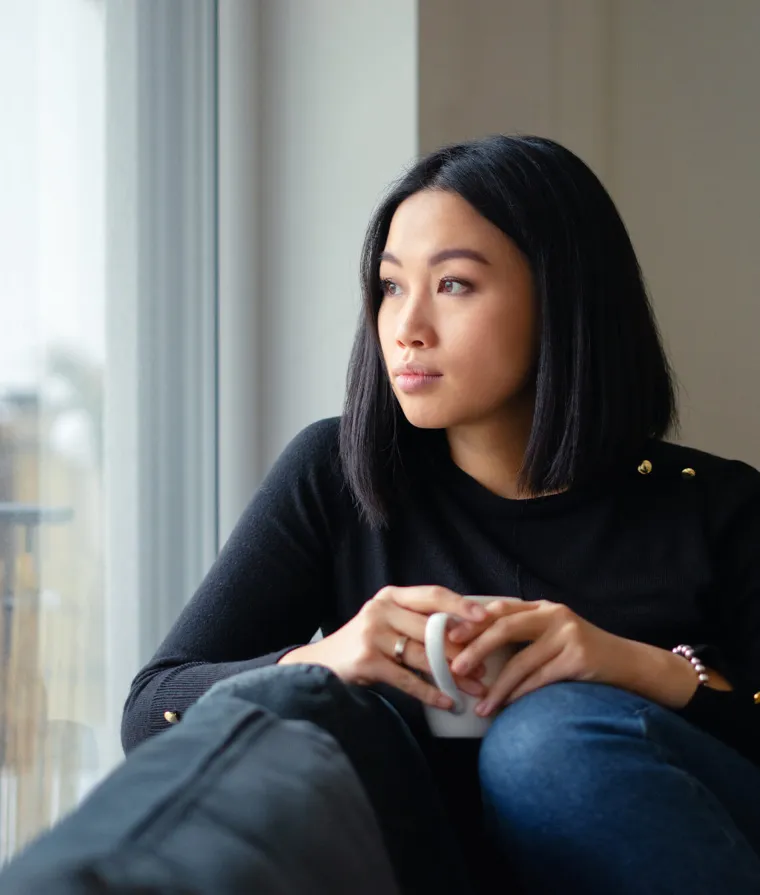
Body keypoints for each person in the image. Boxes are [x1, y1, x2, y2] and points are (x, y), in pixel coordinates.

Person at [122, 134, 760, 894]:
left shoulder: (711, 505)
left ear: (564, 295)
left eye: (454, 284)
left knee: (548, 740)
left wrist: (633, 667)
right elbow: (151, 714)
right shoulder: (337, 475)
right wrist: (330, 658)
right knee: (309, 716)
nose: (407, 326)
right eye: (391, 286)